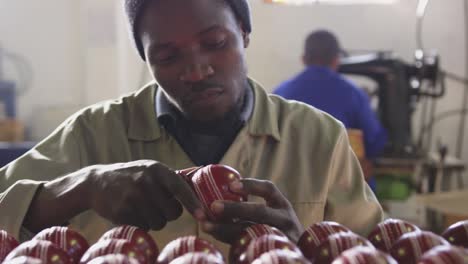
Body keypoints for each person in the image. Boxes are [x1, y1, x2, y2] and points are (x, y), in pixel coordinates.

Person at [0, 0, 383, 254]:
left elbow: (373, 250)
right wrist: (82, 188)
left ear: (245, 33)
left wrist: (301, 247)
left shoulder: (321, 140)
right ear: (146, 59)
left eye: (215, 42)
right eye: (167, 55)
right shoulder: (91, 136)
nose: (196, 69)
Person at [274, 30, 387, 161]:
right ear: (337, 60)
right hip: (337, 177)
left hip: (289, 178)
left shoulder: (280, 93)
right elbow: (374, 143)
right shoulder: (353, 94)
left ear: (303, 59)